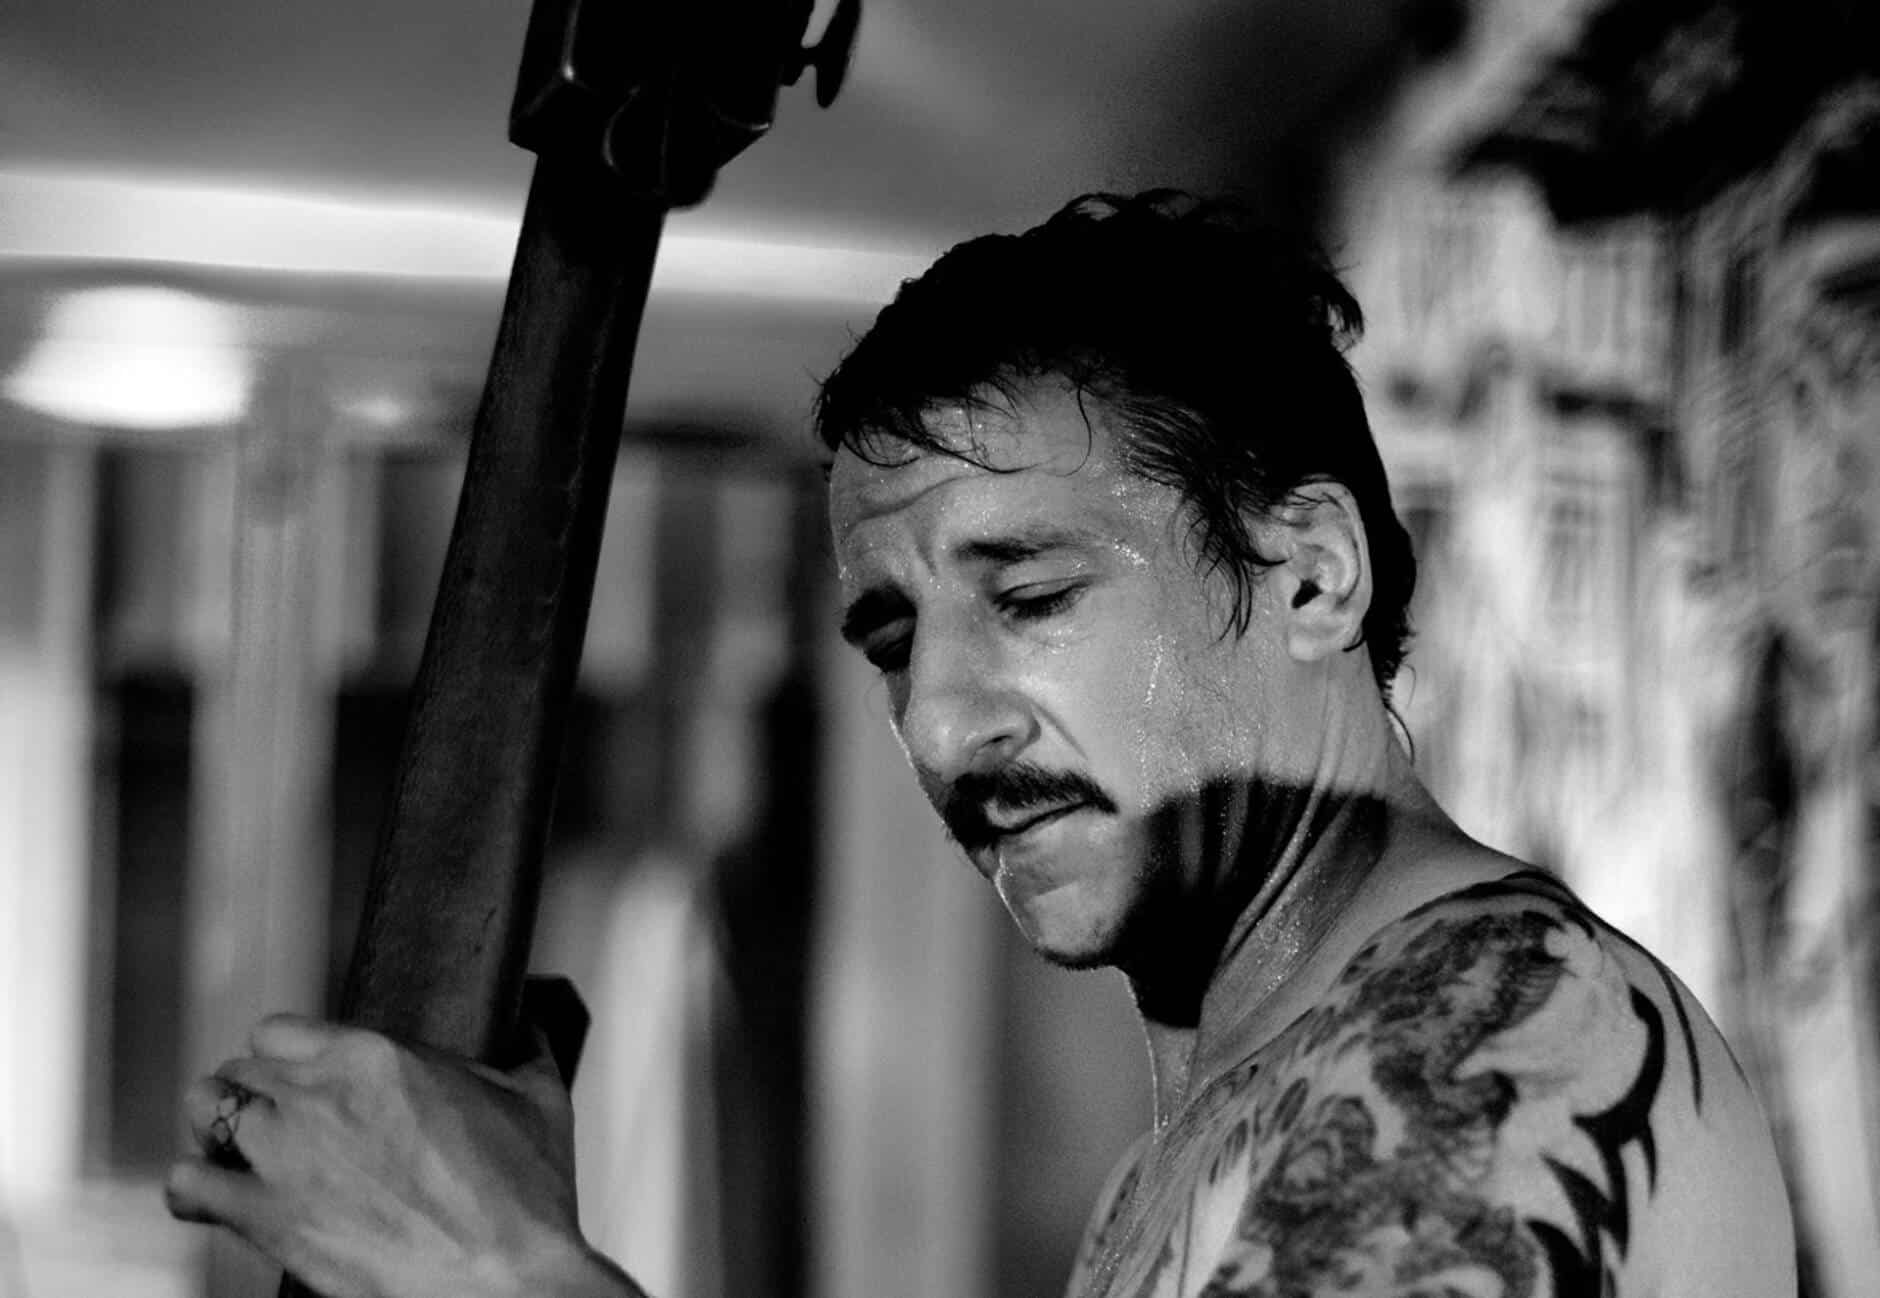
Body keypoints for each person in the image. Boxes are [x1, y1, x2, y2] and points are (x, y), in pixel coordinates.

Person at [166, 191, 1797, 1298]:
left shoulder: (1490, 1034)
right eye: (895, 642)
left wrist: (511, 1277)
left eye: (1029, 594)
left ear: (1310, 573)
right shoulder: (1196, 1140)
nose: (942, 724)